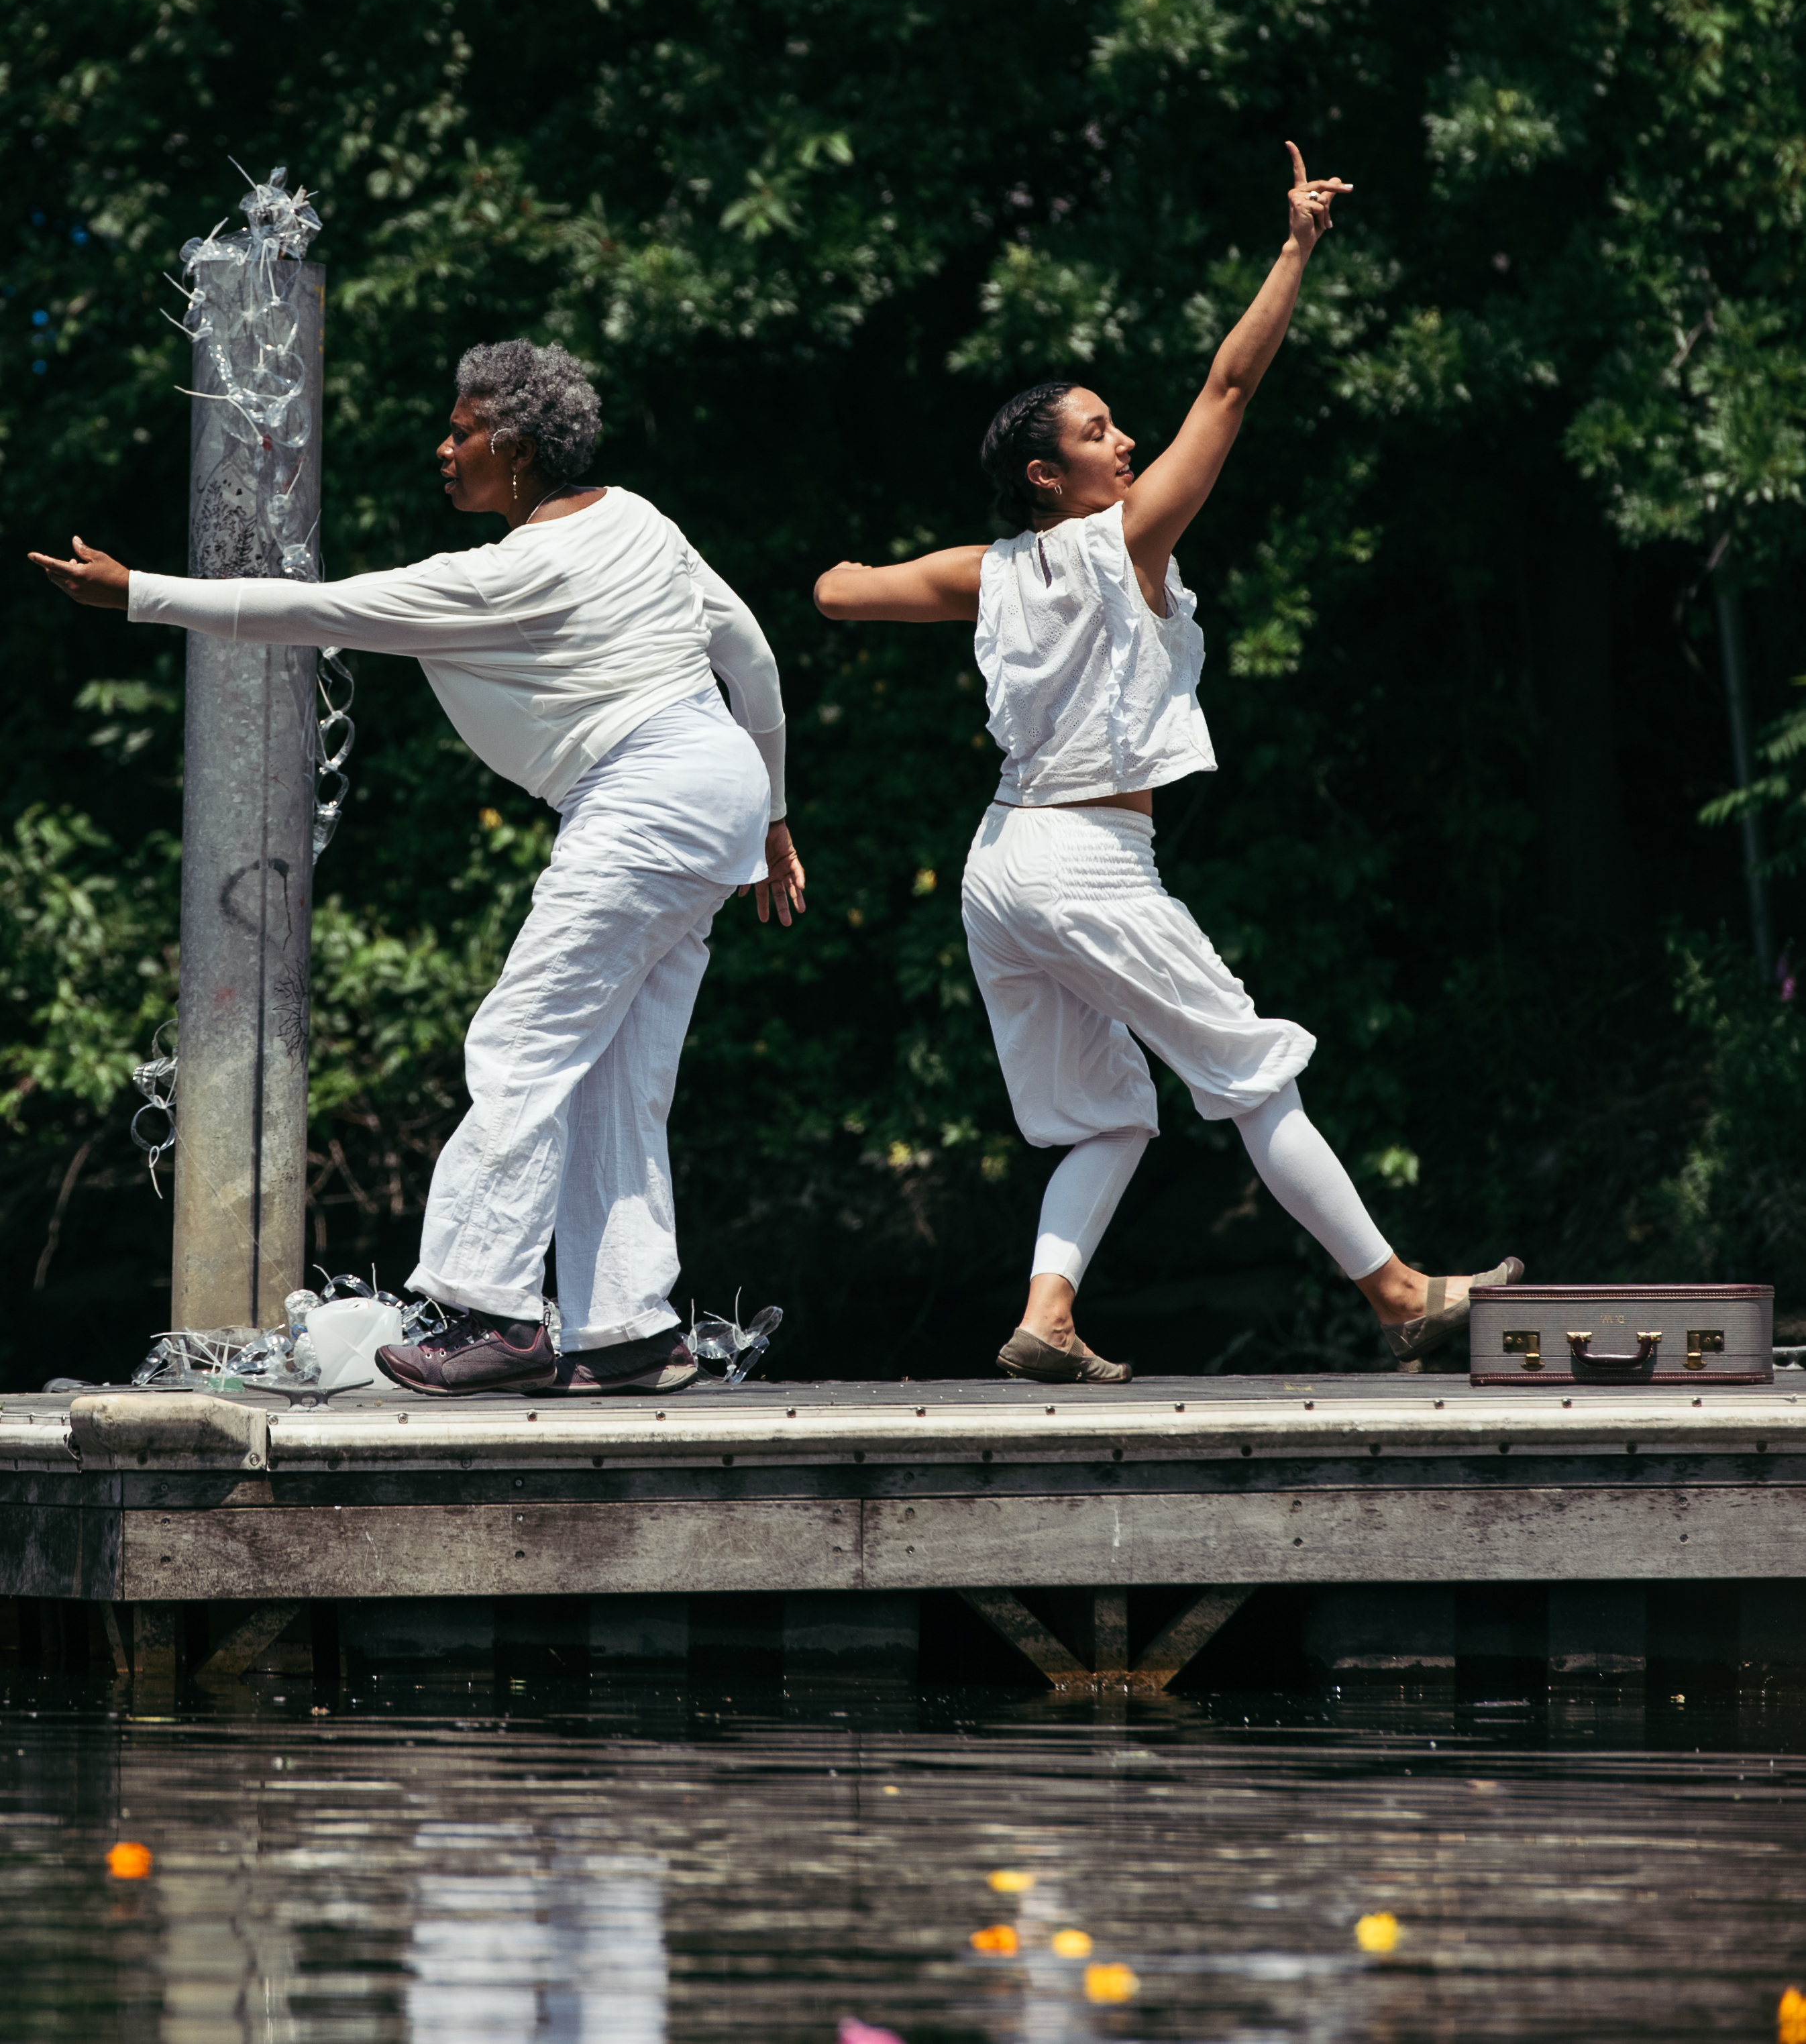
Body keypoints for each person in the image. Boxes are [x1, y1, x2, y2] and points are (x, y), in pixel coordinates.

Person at [814, 145, 1520, 1381]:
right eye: (1097, 431)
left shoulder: (987, 571)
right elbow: (1231, 388)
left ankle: (1046, 1315)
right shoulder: (1122, 543)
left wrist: (861, 575)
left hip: (1000, 868)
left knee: (1109, 1116)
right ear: (1052, 475)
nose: (1126, 439)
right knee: (1249, 1071)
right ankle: (1400, 1291)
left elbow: (837, 591)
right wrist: (1295, 248)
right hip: (1087, 860)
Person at [30, 338, 806, 1399]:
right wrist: (773, 817)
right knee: (618, 1071)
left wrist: (137, 594)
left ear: (518, 448)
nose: (443, 447)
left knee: (524, 1041)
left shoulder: (497, 578)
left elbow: (305, 610)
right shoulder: (641, 518)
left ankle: (490, 1309)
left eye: (461, 429)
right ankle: (627, 1326)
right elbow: (751, 653)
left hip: (642, 796)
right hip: (715, 790)